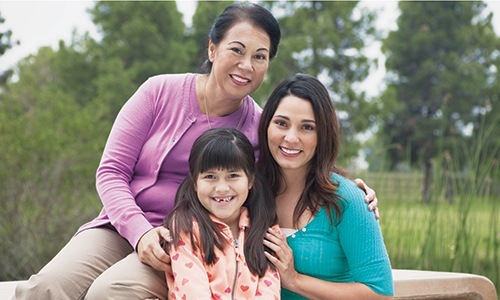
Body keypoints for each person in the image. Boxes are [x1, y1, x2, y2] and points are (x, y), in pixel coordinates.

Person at [13, 3, 378, 299]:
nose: (247, 65)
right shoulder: (158, 93)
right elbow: (110, 171)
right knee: (45, 288)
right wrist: (140, 233)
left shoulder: (260, 126)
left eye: (260, 56)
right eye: (237, 50)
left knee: (112, 293)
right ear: (212, 47)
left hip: (194, 240)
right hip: (120, 225)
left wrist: (351, 191)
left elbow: (296, 160)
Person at [259, 74, 394, 299]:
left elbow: (380, 293)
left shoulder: (346, 199)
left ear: (323, 135)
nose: (291, 138)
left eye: (307, 128)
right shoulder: (246, 191)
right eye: (281, 123)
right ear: (266, 126)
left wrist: (294, 280)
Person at [164, 127, 280, 299]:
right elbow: (193, 292)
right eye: (210, 177)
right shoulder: (185, 227)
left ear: (250, 180)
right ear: (195, 183)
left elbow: (269, 289)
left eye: (233, 175)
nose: (222, 188)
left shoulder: (265, 229)